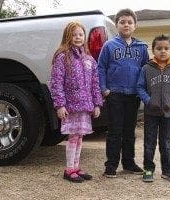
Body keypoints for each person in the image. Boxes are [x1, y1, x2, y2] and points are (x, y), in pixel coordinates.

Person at [98, 8, 149, 178]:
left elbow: (145, 70)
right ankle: (111, 165)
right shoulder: (109, 45)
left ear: (135, 26)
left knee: (129, 130)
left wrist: (143, 91)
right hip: (115, 94)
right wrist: (104, 89)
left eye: (129, 22)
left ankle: (129, 163)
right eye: (122, 22)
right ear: (117, 24)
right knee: (114, 130)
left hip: (133, 95)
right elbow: (101, 67)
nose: (126, 25)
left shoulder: (142, 47)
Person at [49, 22, 103, 183]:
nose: (78, 37)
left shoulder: (89, 59)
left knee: (80, 137)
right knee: (73, 137)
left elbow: (95, 83)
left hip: (85, 106)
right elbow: (56, 82)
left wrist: (97, 103)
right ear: (68, 36)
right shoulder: (62, 57)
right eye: (74, 34)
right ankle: (69, 169)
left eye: (81, 34)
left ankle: (76, 167)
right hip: (71, 106)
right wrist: (60, 104)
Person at [137, 35, 170, 182]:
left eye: (166, 48)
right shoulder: (146, 69)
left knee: (165, 142)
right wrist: (148, 100)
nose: (163, 51)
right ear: (153, 50)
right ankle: (148, 169)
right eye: (159, 48)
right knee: (149, 141)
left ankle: (167, 170)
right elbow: (140, 87)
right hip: (151, 112)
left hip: (168, 113)